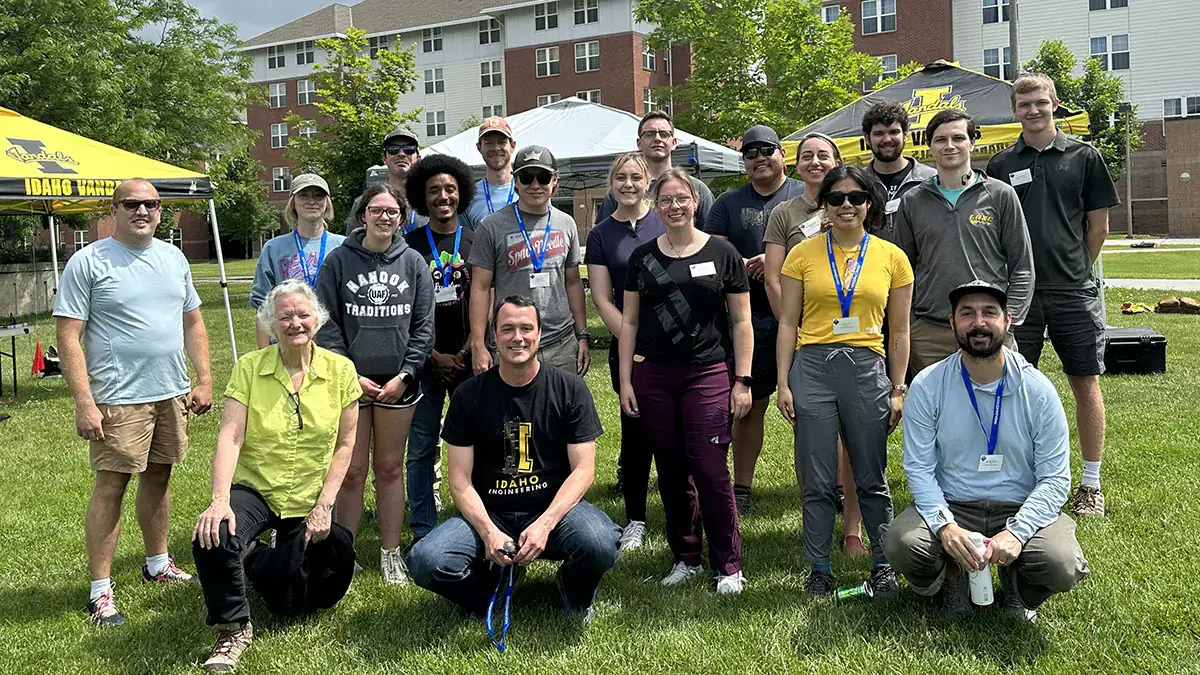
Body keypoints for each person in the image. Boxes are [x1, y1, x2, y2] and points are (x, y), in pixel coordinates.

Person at [54, 178, 213, 627]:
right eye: (132, 204)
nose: (142, 211)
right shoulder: (89, 261)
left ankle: (157, 563)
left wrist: (203, 378)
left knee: (160, 477)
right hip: (117, 398)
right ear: (115, 210)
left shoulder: (173, 257)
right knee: (112, 485)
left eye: (151, 204)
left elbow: (194, 322)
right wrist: (84, 401)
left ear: (161, 210)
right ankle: (100, 592)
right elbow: (68, 335)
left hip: (170, 391)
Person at [882, 280, 1090, 622]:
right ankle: (951, 577)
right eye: (967, 314)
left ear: (1007, 321)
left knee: (1060, 561)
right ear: (952, 323)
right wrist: (945, 527)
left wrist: (1017, 532)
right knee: (901, 543)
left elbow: (1055, 479)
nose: (978, 322)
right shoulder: (928, 385)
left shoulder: (1038, 390)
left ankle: (1019, 587)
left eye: (989, 313)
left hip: (1018, 504)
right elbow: (919, 469)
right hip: (955, 503)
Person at [409, 296, 621, 620]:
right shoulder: (469, 395)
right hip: (492, 511)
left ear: (539, 333)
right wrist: (489, 533)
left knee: (600, 542)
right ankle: (488, 592)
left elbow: (583, 471)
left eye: (526, 328)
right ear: (494, 336)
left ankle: (574, 591)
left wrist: (545, 524)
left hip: (554, 511)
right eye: (507, 329)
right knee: (426, 559)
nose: (517, 337)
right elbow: (459, 481)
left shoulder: (569, 389)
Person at [192, 280, 360, 672]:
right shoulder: (250, 368)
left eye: (303, 315)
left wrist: (324, 506)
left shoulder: (341, 371)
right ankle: (233, 628)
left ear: (317, 321)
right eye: (285, 316)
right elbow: (231, 434)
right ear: (271, 323)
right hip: (258, 486)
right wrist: (219, 501)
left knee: (298, 603)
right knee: (213, 537)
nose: (295, 323)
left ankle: (256, 562)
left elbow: (345, 446)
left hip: (308, 495)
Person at [986, 74, 1121, 518]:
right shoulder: (1000, 166)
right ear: (1014, 110)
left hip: (1073, 293)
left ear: (1055, 104)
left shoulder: (1085, 157)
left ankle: (1090, 485)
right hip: (1017, 297)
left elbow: (1097, 227)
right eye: (1024, 105)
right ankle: (1018, 478)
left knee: (1085, 383)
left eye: (1040, 103)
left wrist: (1076, 268)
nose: (1033, 111)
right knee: (1012, 389)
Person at [775, 165, 911, 597]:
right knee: (815, 477)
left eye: (856, 197)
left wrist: (897, 387)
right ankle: (818, 567)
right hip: (812, 367)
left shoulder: (892, 257)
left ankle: (883, 564)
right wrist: (782, 381)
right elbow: (787, 322)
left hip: (867, 367)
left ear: (870, 203)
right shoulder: (802, 254)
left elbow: (900, 331)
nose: (847, 205)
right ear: (825, 205)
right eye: (837, 198)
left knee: (871, 475)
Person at [619, 168, 752, 595]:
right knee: (672, 471)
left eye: (682, 198)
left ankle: (729, 565)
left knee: (710, 470)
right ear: (656, 206)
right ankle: (686, 556)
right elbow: (630, 323)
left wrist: (743, 380)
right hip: (654, 375)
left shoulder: (723, 253)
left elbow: (742, 321)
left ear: (695, 201)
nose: (674, 206)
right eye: (665, 200)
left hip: (708, 373)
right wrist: (625, 381)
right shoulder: (643, 258)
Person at [316, 183, 435, 583]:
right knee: (350, 470)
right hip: (351, 380)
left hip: (397, 383)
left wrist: (406, 375)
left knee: (388, 468)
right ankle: (343, 554)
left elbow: (423, 327)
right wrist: (349, 372)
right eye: (377, 210)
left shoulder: (414, 262)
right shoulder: (338, 261)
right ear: (362, 214)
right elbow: (326, 323)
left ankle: (390, 550)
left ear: (402, 218)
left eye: (392, 212)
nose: (385, 217)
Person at [763, 133, 868, 557]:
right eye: (806, 156)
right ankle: (817, 517)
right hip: (807, 337)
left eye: (823, 155)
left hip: (858, 339)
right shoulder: (784, 212)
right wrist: (798, 325)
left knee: (855, 435)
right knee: (811, 435)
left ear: (837, 161)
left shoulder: (854, 201)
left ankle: (853, 528)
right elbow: (773, 277)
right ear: (795, 164)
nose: (814, 161)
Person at [705, 124, 804, 516]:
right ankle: (742, 486)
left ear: (782, 153)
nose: (760, 158)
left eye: (767, 150)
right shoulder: (728, 203)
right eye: (751, 153)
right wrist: (743, 262)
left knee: (807, 409)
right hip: (748, 316)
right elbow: (712, 245)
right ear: (743, 161)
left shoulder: (804, 193)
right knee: (749, 405)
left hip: (802, 315)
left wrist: (776, 259)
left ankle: (820, 487)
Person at [893, 109, 1034, 375]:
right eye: (940, 139)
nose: (949, 146)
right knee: (939, 412)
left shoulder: (1000, 195)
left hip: (987, 327)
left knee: (996, 407)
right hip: (930, 333)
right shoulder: (913, 201)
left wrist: (1008, 320)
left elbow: (1023, 266)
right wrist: (911, 323)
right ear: (929, 146)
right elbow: (902, 270)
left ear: (972, 142)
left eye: (958, 138)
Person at [585, 153, 666, 551]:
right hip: (629, 348)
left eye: (636, 177)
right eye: (621, 177)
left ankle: (680, 511)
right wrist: (634, 340)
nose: (629, 184)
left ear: (649, 181)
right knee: (635, 433)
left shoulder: (666, 218)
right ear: (611, 183)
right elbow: (601, 298)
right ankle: (635, 517)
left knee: (677, 432)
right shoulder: (601, 234)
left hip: (676, 344)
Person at [403, 155, 478, 543]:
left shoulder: (476, 238)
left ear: (461, 193)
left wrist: (465, 351)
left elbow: (487, 295)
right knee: (421, 446)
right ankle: (422, 528)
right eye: (434, 191)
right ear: (422, 197)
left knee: (476, 444)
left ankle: (478, 518)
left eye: (450, 189)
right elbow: (403, 310)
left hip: (469, 359)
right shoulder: (409, 245)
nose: (443, 196)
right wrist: (431, 355)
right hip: (422, 362)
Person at [468, 144, 590, 376]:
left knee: (561, 409)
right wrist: (478, 344)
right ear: (515, 181)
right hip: (511, 342)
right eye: (526, 177)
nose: (535, 185)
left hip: (560, 342)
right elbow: (481, 287)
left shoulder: (566, 223)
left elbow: (573, 281)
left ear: (554, 181)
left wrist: (582, 334)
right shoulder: (491, 226)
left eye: (543, 177)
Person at [250, 173, 346, 348]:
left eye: (318, 196)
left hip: (335, 347)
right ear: (293, 203)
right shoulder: (274, 248)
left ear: (327, 203)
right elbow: (262, 306)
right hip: (286, 345)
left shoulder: (343, 246)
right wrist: (264, 356)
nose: (312, 201)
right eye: (304, 195)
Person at [593, 110, 715, 230]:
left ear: (674, 143)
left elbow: (711, 240)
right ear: (639, 143)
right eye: (649, 134)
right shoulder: (621, 192)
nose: (657, 138)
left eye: (664, 134)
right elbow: (604, 236)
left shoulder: (697, 188)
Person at [860, 101, 938, 241]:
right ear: (867, 138)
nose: (887, 139)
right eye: (879, 133)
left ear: (905, 135)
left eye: (894, 132)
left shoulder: (932, 180)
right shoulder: (858, 183)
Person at [346, 126, 428, 234]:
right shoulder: (364, 202)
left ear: (418, 158)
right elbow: (352, 246)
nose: (401, 154)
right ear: (384, 158)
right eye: (393, 149)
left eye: (409, 149)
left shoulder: (430, 200)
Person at [465, 116, 518, 229]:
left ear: (512, 146)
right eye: (488, 143)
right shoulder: (469, 196)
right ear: (479, 148)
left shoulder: (529, 190)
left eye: (502, 142)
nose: (496, 148)